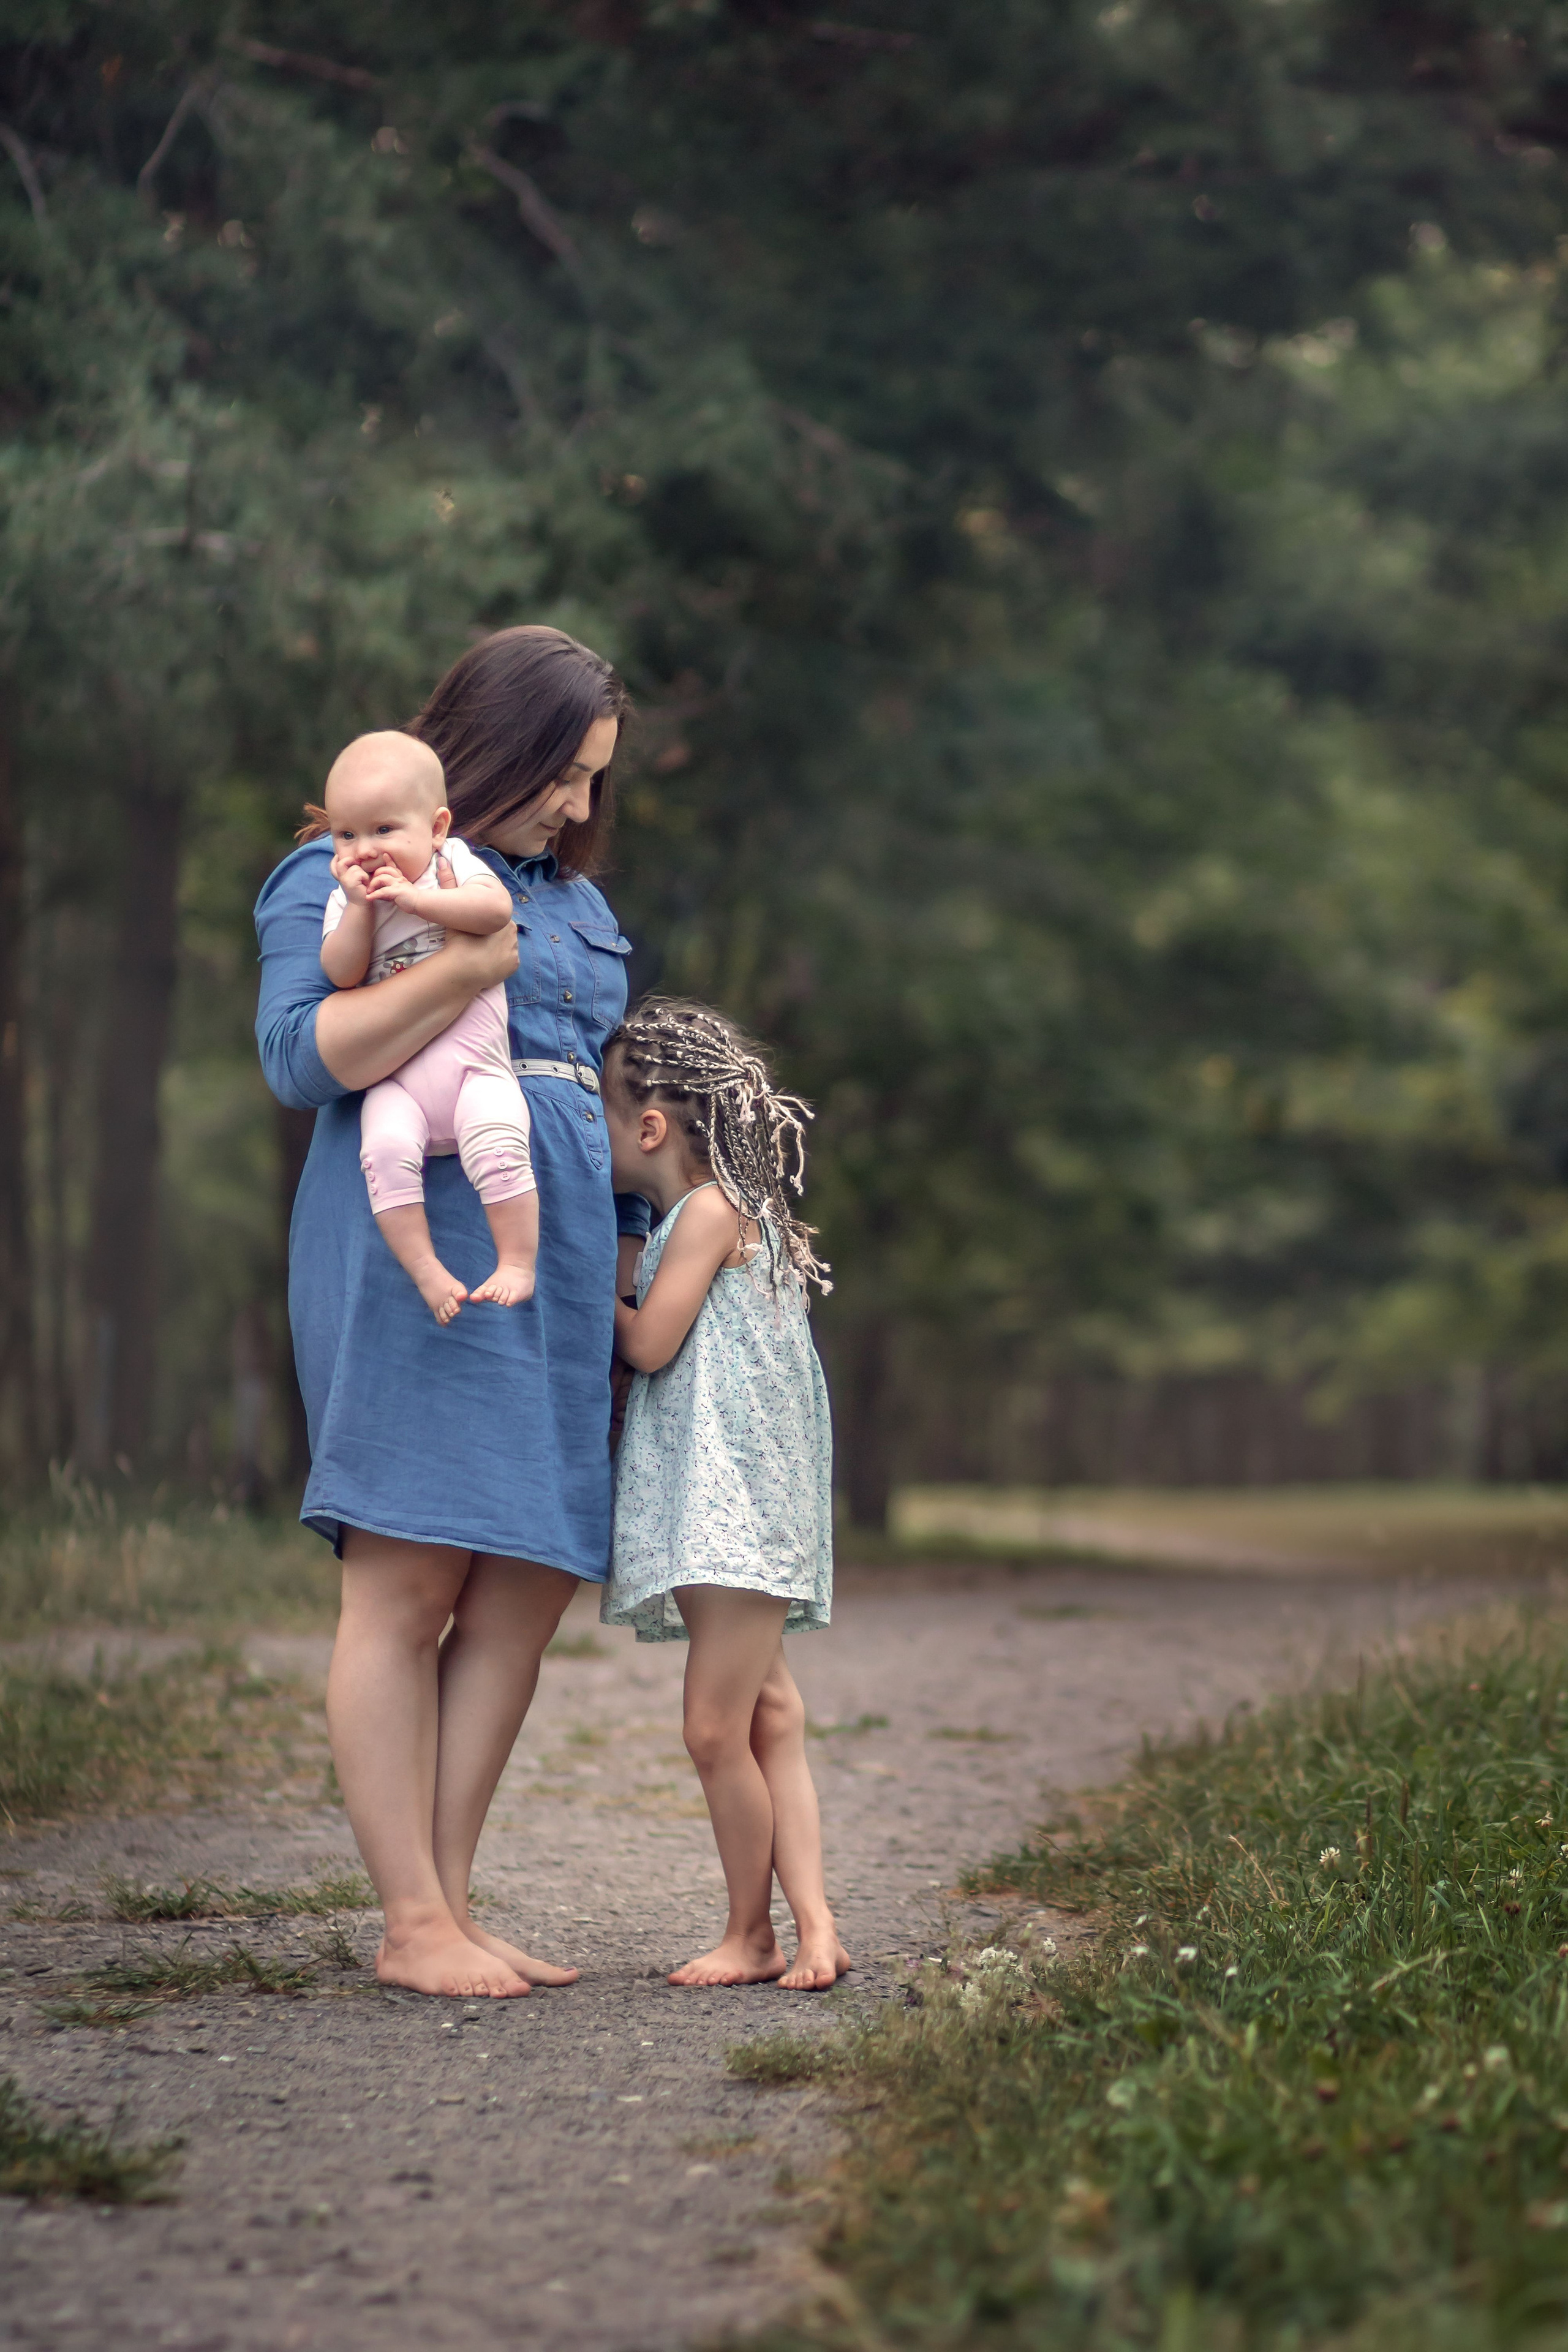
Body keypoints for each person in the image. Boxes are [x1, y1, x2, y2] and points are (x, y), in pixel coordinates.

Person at [254, 625, 645, 2000]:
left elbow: (597, 1093)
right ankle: (408, 1919)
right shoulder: (346, 864)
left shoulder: (578, 908)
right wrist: (466, 970)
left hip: (560, 1255)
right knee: (409, 1580)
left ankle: (450, 1905)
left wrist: (661, 1239)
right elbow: (306, 1057)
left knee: (527, 1586)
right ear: (500, 748)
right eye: (564, 774)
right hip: (410, 1238)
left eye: (596, 782)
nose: (578, 807)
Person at [600, 998, 849, 1991]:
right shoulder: (719, 1217)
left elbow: (648, 1341)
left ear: (650, 1128)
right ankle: (816, 1928)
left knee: (715, 1729)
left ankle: (754, 1934)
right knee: (768, 1717)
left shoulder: (708, 1216)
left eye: (606, 1120)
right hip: (741, 1509)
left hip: (731, 1512)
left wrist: (578, 1278)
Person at [311, 730, 537, 1325]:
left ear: (437, 827)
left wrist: (417, 900)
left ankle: (516, 1260)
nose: (363, 850)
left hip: (474, 1071)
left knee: (501, 1143)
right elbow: (340, 973)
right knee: (381, 1153)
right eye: (346, 835)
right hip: (398, 1082)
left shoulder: (451, 865)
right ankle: (426, 1270)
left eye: (384, 830)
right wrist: (360, 911)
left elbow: (494, 913)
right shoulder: (347, 899)